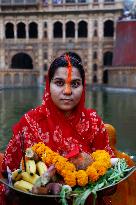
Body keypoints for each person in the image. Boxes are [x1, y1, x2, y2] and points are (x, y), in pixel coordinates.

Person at [0, 52, 114, 205]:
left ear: (83, 86)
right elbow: (8, 174)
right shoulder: (30, 123)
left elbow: (112, 181)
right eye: (59, 83)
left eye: (75, 84)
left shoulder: (93, 124)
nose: (67, 91)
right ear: (49, 85)